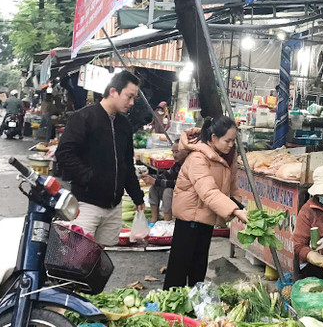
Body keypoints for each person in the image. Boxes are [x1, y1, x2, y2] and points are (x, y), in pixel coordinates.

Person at [55, 71, 145, 246]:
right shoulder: (84, 117)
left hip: (114, 207)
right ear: (113, 91)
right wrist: (89, 177)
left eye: (134, 98)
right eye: (129, 96)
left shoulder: (124, 125)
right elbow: (64, 154)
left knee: (100, 259)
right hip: (87, 204)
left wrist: (137, 196)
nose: (132, 103)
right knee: (77, 257)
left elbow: (127, 164)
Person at [164, 116, 249, 289]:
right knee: (179, 270)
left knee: (198, 267)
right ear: (213, 138)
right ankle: (170, 310)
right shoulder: (198, 158)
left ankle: (195, 306)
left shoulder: (227, 157)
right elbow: (208, 191)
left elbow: (232, 187)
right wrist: (234, 211)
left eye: (234, 140)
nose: (231, 145)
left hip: (206, 218)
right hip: (189, 219)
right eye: (228, 140)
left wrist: (239, 206)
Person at [142, 141, 188, 223]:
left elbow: (178, 183)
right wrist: (151, 177)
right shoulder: (177, 164)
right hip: (177, 192)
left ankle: (167, 221)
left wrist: (156, 181)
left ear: (186, 151)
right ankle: (154, 219)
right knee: (154, 188)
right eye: (173, 152)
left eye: (177, 152)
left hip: (185, 195)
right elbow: (166, 175)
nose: (174, 155)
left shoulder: (190, 165)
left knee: (168, 191)